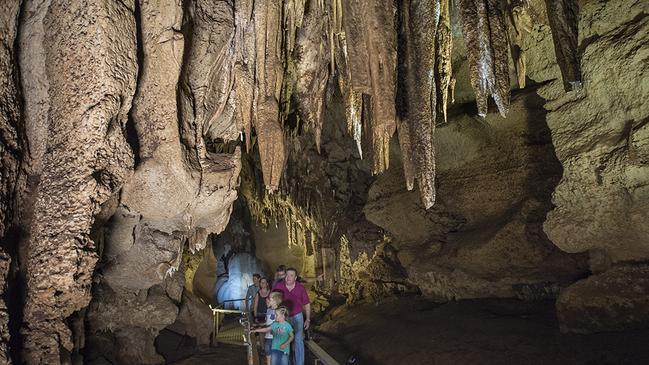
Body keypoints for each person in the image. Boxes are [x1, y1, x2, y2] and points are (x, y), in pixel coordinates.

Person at [272, 268, 310, 365]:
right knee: (285, 339)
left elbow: (307, 303)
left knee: (298, 340)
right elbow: (272, 299)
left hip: (297, 316)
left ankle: (299, 363)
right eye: (287, 275)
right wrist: (275, 315)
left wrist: (308, 319)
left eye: (291, 275)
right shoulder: (279, 286)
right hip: (284, 317)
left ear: (295, 277)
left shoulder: (300, 287)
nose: (288, 277)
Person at [256, 291, 284, 365]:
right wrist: (261, 324)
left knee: (275, 355)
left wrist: (257, 329)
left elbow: (275, 324)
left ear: (275, 302)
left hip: (275, 337)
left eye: (270, 299)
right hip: (268, 336)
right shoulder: (268, 310)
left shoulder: (279, 312)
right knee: (268, 353)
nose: (268, 300)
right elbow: (268, 321)